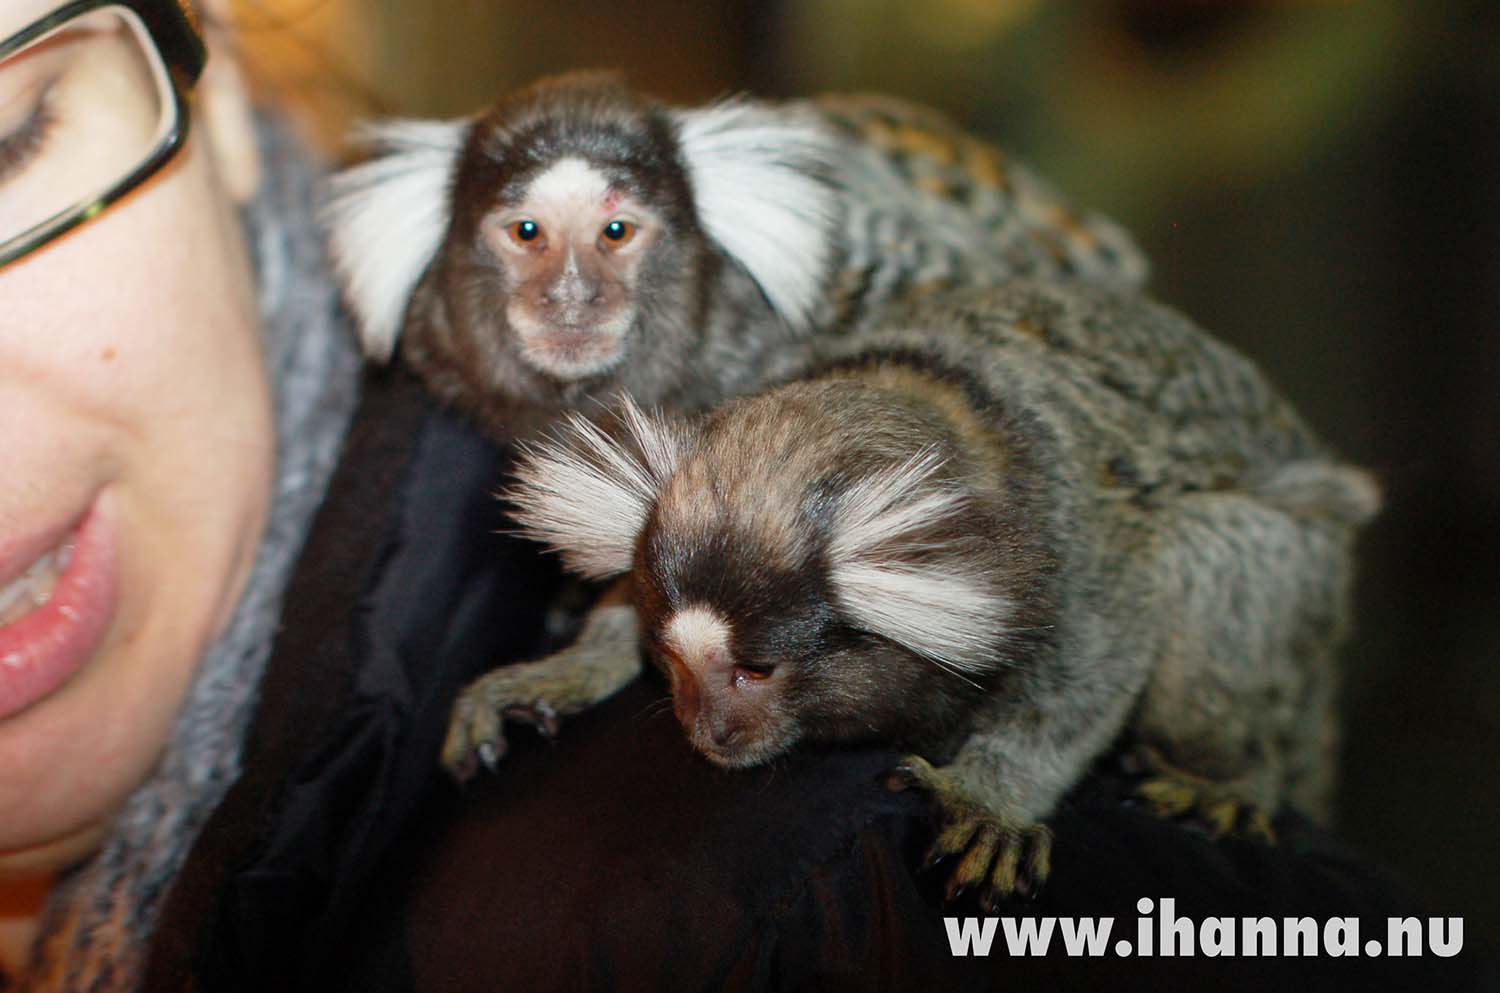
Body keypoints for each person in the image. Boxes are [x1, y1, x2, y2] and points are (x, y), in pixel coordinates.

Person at [0, 3, 1493, 991]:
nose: (567, 287)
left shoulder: (828, 889)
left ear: (214, 54)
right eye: (520, 238)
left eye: (8, 134)